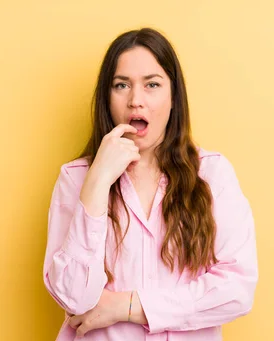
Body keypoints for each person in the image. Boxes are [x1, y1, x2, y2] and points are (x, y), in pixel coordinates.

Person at [43, 27, 258, 341]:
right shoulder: (75, 178)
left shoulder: (213, 174)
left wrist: (127, 306)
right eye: (121, 85)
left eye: (152, 85)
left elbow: (236, 290)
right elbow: (74, 298)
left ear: (173, 98)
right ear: (107, 97)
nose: (135, 101)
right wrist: (98, 182)